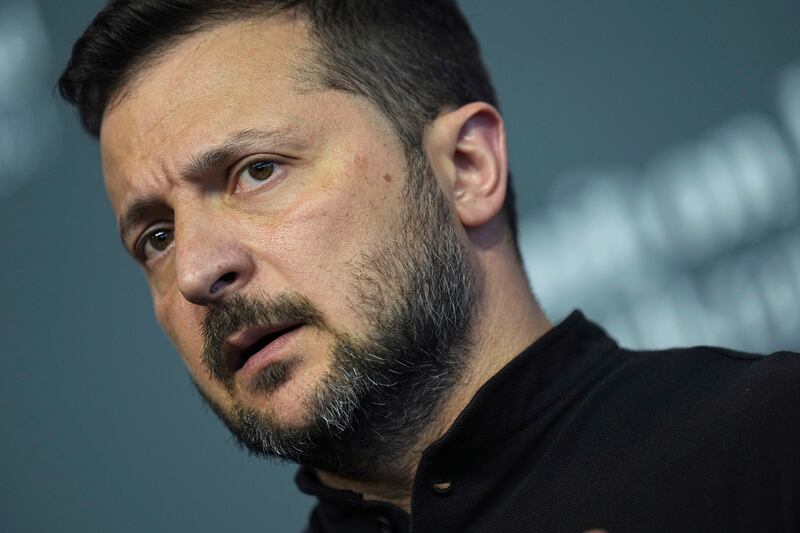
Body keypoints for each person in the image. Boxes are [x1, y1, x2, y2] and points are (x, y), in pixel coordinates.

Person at [59, 1, 799, 531]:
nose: (195, 269)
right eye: (155, 235)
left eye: (256, 170)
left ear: (467, 167)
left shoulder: (769, 449)